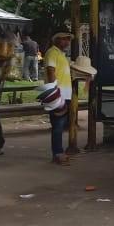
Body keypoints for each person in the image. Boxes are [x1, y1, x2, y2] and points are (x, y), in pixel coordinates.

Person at [43, 31, 74, 165]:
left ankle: (58, 152)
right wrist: (55, 91)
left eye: (68, 39)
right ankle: (58, 153)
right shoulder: (52, 52)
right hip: (57, 94)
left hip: (64, 94)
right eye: (64, 39)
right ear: (56, 40)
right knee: (58, 125)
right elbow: (51, 71)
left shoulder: (62, 55)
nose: (67, 42)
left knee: (60, 124)